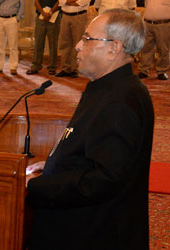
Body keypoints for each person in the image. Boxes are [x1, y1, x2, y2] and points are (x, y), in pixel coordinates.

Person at [27, 8, 154, 250]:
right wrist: (57, 164)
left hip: (93, 233)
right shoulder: (108, 87)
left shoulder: (119, 100)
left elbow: (102, 180)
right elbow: (96, 149)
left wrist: (35, 187)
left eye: (87, 39)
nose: (77, 46)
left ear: (114, 48)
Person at [0, 0, 25, 75]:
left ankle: (13, 67)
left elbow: (22, 6)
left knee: (13, 45)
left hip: (12, 19)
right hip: (0, 18)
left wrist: (17, 18)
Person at [55, 0, 90, 78]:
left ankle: (75, 69)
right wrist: (71, 1)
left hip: (79, 16)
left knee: (77, 43)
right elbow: (61, 1)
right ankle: (65, 68)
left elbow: (81, 2)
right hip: (65, 16)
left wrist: (67, 2)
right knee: (64, 43)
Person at [26, 0, 60, 76]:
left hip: (54, 16)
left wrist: (50, 12)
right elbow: (36, 1)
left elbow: (60, 1)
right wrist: (43, 13)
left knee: (53, 44)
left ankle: (52, 67)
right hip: (40, 16)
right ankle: (36, 66)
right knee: (38, 42)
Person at [138, 0, 170, 80]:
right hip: (147, 23)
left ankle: (162, 71)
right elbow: (146, 5)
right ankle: (144, 70)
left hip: (163, 24)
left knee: (163, 49)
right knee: (146, 48)